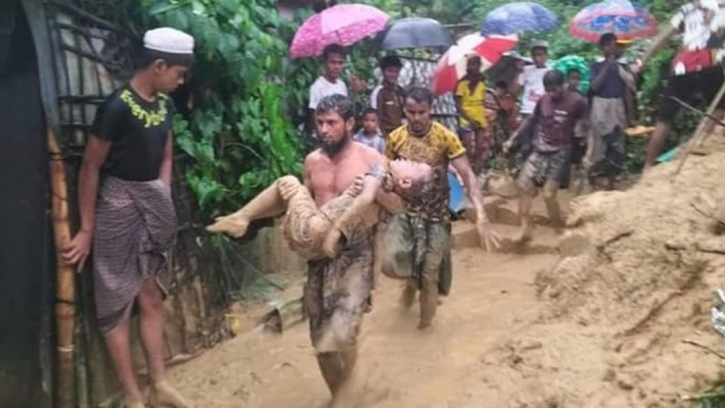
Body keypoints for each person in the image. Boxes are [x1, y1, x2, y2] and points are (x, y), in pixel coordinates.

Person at [61, 28, 194, 408]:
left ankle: (159, 384)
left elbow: (166, 155)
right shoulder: (116, 107)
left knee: (151, 296)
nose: (180, 81)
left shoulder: (165, 107)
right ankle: (134, 397)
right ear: (158, 65)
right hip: (117, 208)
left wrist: (161, 193)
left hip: (152, 206)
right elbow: (90, 168)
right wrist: (87, 229)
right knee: (117, 302)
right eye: (178, 73)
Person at [385, 86, 500, 330]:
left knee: (429, 276)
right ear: (405, 111)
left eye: (421, 112)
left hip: (436, 216)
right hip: (405, 214)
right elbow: (386, 172)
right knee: (394, 264)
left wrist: (480, 213)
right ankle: (409, 291)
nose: (416, 118)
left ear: (431, 110)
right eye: (411, 112)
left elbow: (467, 174)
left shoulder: (445, 137)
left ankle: (424, 328)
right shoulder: (395, 138)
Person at [206, 152, 436, 261]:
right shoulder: (398, 202)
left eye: (413, 163)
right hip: (322, 249)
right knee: (292, 193)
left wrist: (334, 233)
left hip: (312, 232)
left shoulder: (378, 177)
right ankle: (250, 218)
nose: (407, 158)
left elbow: (366, 197)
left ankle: (242, 217)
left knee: (287, 182)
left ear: (405, 181)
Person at [631, 0, 725, 170]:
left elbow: (661, 38)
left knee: (665, 118)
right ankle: (701, 140)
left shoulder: (687, 10)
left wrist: (641, 62)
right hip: (708, 62)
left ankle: (648, 165)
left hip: (682, 65)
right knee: (720, 108)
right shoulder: (720, 6)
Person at [503, 70, 588, 243]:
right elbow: (530, 121)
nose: (551, 93)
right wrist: (513, 139)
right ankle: (525, 229)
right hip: (540, 149)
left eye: (554, 89)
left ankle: (559, 231)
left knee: (549, 194)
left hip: (561, 151)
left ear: (563, 85)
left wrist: (587, 150)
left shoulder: (577, 101)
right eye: (548, 89)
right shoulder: (543, 100)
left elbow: (588, 125)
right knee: (524, 185)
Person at [586, 33, 633, 190]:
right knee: (599, 145)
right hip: (600, 106)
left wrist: (631, 116)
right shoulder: (595, 66)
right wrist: (608, 65)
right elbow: (594, 87)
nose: (613, 48)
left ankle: (612, 182)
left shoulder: (623, 68)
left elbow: (627, 93)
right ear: (603, 47)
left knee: (617, 145)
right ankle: (594, 180)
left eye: (615, 45)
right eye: (610, 45)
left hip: (617, 106)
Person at [510, 41, 551, 164]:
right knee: (526, 145)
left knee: (541, 144)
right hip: (527, 112)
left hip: (544, 113)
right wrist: (519, 71)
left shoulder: (551, 72)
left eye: (540, 55)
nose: (538, 58)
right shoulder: (526, 70)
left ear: (546, 56)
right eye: (535, 55)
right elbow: (513, 91)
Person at [454, 55, 492, 176]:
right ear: (468, 66)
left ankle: (477, 174)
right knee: (469, 149)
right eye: (472, 64)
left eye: (477, 64)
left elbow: (483, 102)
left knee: (480, 148)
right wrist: (470, 119)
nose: (475, 67)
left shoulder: (482, 84)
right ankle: (467, 173)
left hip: (480, 119)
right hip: (466, 119)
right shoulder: (462, 84)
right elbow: (459, 106)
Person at [370, 55, 406, 136]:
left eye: (396, 71)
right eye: (389, 71)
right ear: (383, 72)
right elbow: (374, 116)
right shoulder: (379, 92)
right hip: (385, 135)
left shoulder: (400, 91)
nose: (393, 74)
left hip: (399, 135)